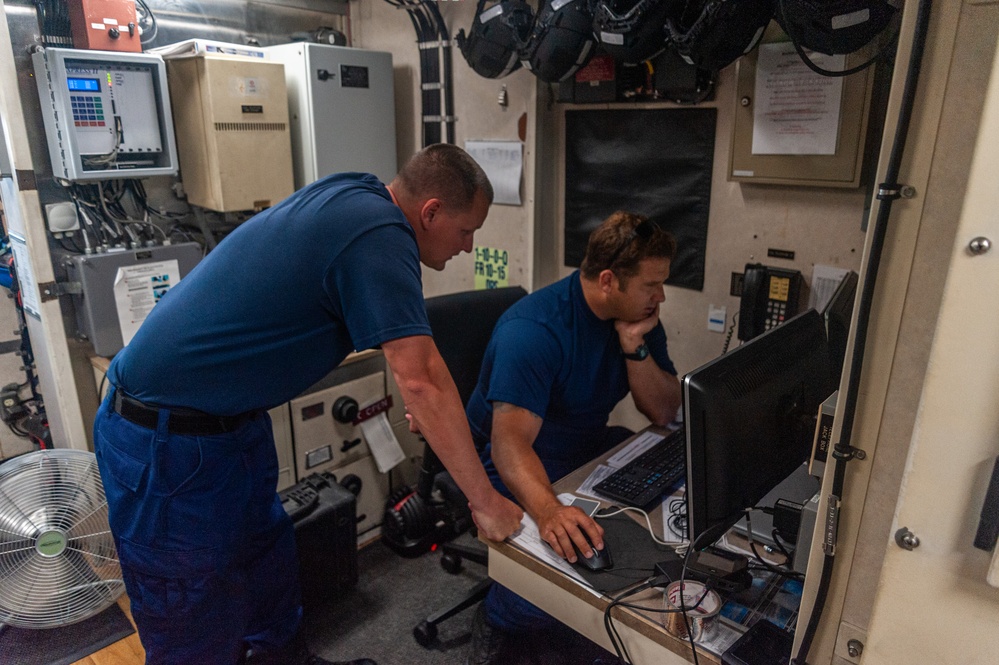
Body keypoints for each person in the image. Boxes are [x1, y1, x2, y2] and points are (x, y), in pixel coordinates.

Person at [92, 144, 523, 665]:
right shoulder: (380, 232)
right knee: (192, 615)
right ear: (430, 212)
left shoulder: (362, 196)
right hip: (166, 441)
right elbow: (424, 379)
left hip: (233, 425)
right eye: (466, 230)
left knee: (268, 576)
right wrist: (484, 501)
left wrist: (433, 412)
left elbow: (416, 363)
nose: (470, 247)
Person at [463, 211, 683, 664]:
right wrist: (548, 512)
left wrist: (634, 344)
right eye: (650, 285)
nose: (660, 297)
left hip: (578, 443)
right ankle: (501, 617)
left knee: (656, 481)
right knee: (563, 552)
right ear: (609, 280)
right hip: (511, 458)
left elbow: (663, 409)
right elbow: (510, 446)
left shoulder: (635, 316)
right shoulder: (534, 332)